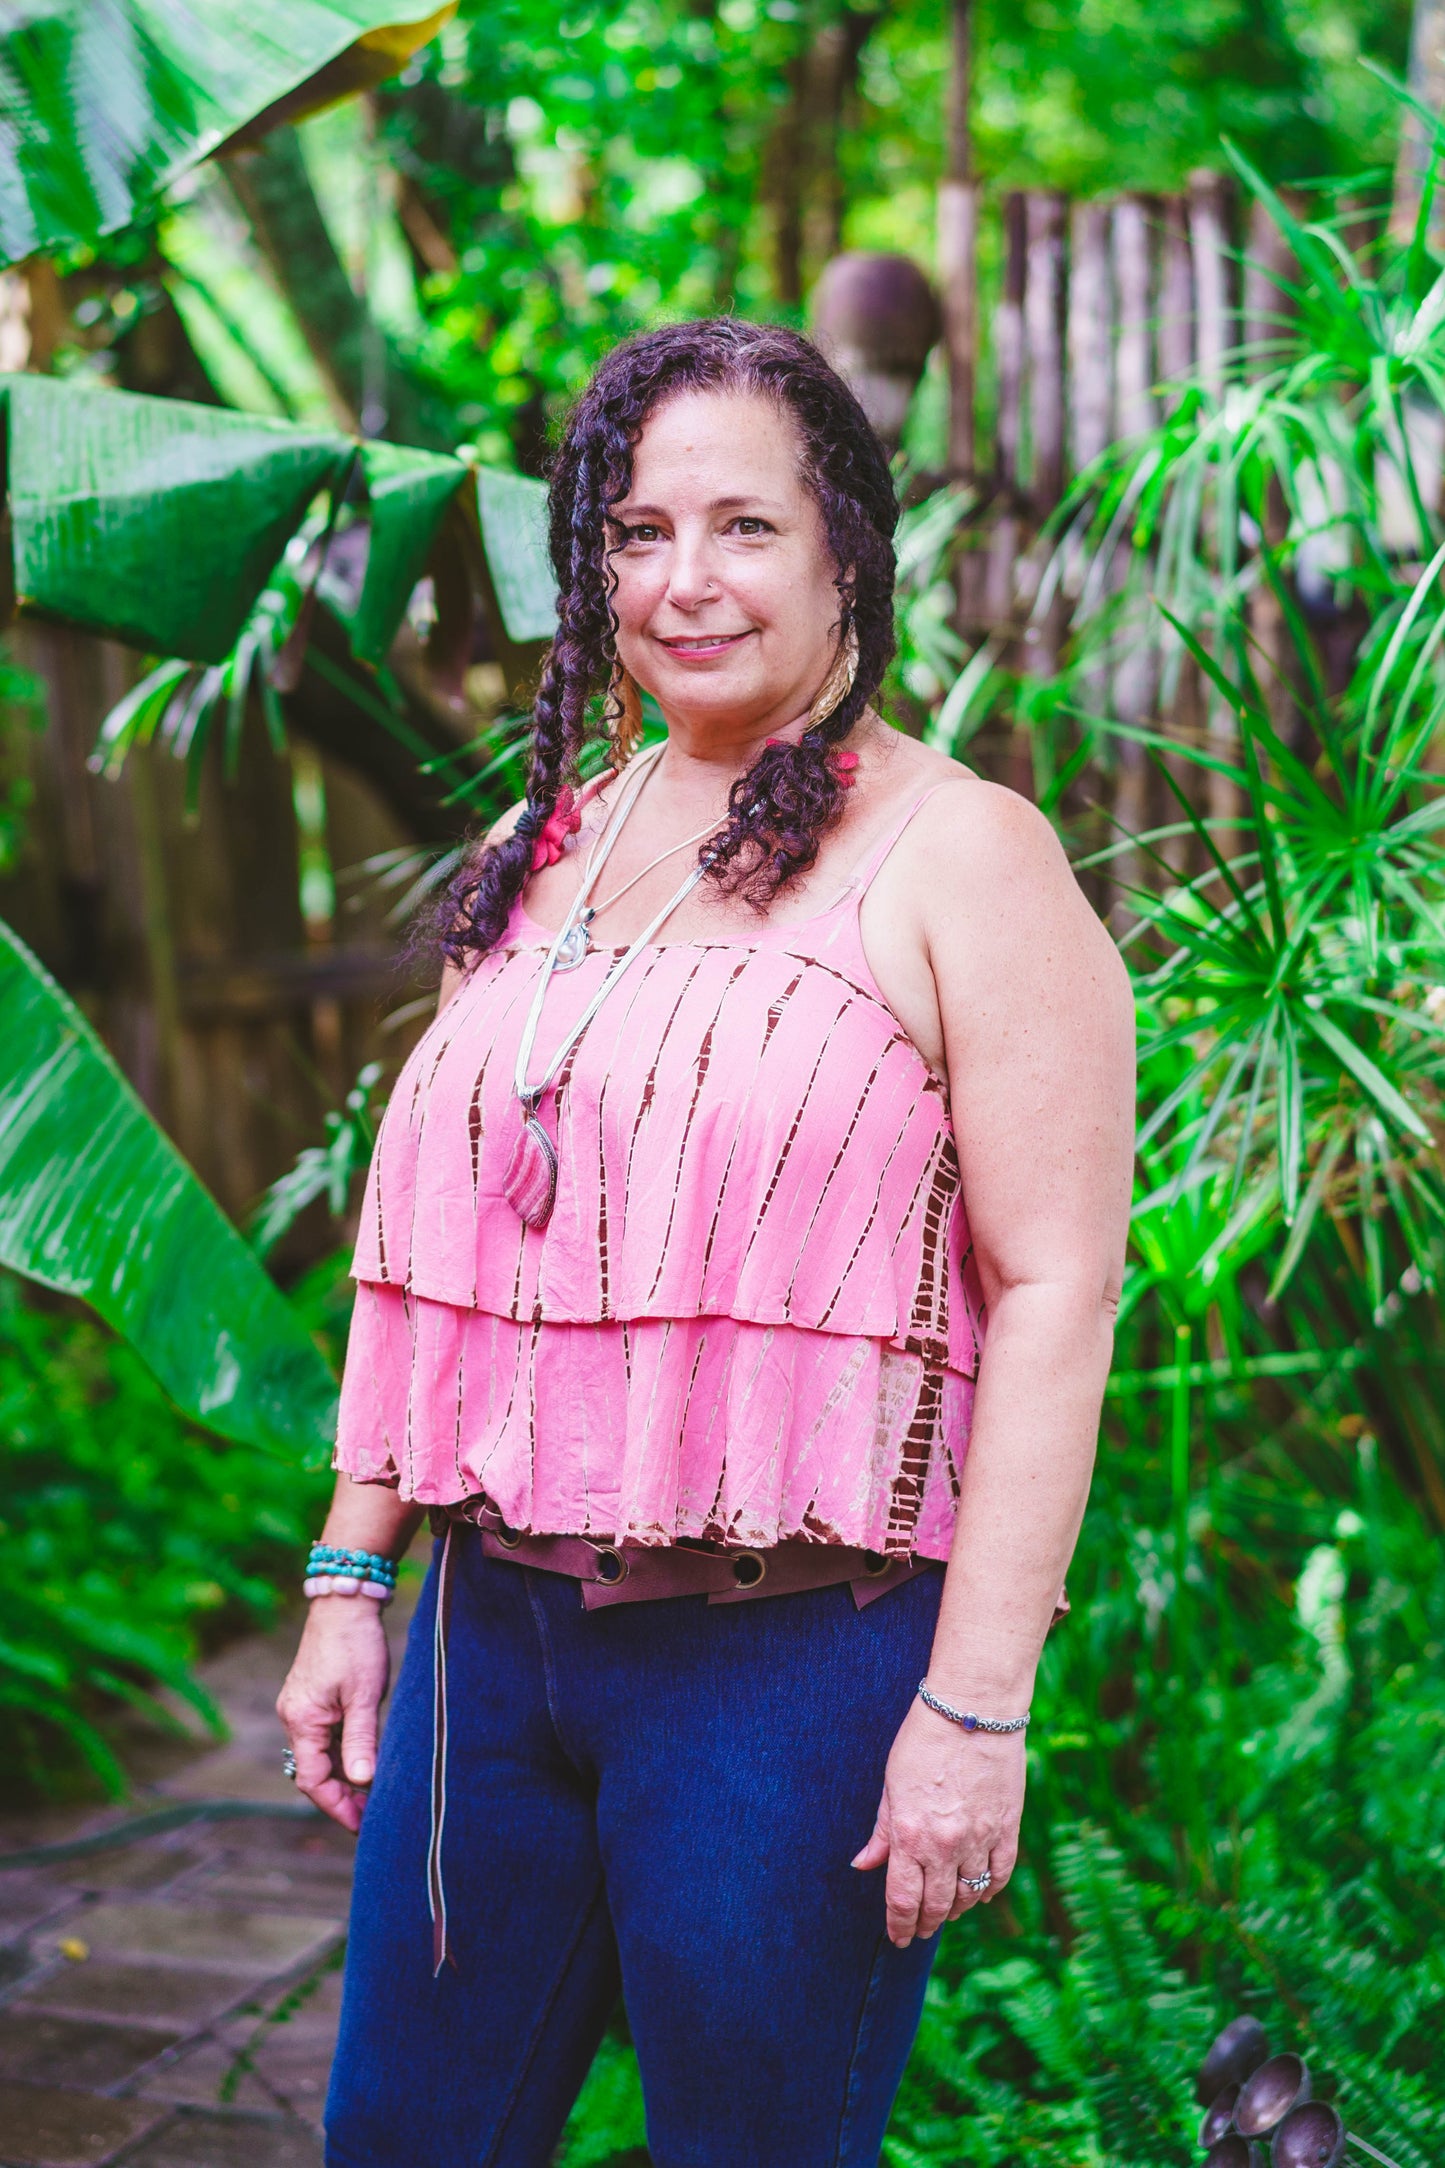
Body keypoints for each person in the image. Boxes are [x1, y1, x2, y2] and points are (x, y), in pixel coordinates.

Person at [278, 317, 1135, 2168]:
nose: (684, 581)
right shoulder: (546, 842)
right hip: (486, 1640)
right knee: (400, 2144)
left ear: (845, 553)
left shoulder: (964, 857)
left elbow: (1055, 1293)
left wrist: (973, 1712)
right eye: (637, 531)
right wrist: (356, 1583)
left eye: (743, 528)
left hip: (789, 1669)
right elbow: (436, 1250)